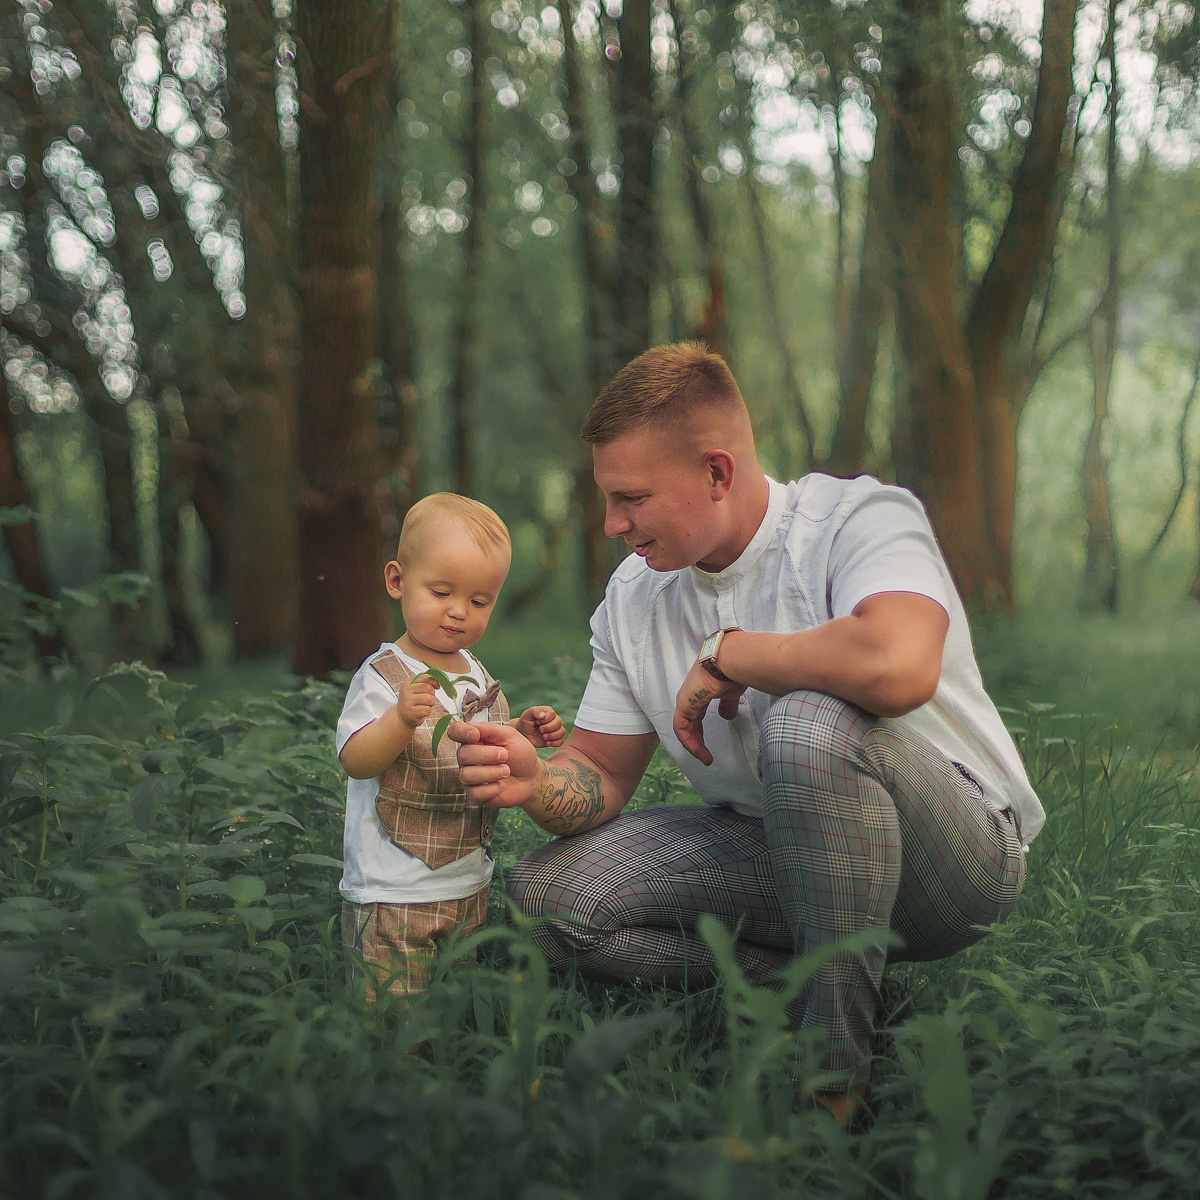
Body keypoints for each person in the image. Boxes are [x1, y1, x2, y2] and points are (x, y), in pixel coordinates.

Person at [451, 343, 1043, 1124]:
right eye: (607, 498)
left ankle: (830, 1092)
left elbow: (901, 664)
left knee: (806, 722)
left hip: (951, 858)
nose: (611, 523)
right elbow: (595, 768)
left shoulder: (859, 520)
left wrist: (738, 654)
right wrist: (537, 780)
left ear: (717, 474)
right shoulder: (633, 598)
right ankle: (839, 985)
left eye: (630, 498)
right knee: (546, 900)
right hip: (779, 850)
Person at [336, 493, 565, 1001]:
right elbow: (355, 760)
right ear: (397, 581)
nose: (459, 612)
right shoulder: (383, 676)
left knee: (452, 1005)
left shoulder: (475, 672)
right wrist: (399, 719)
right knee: (390, 1012)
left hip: (466, 880)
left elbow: (482, 749)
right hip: (394, 888)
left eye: (480, 601)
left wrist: (524, 734)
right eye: (441, 592)